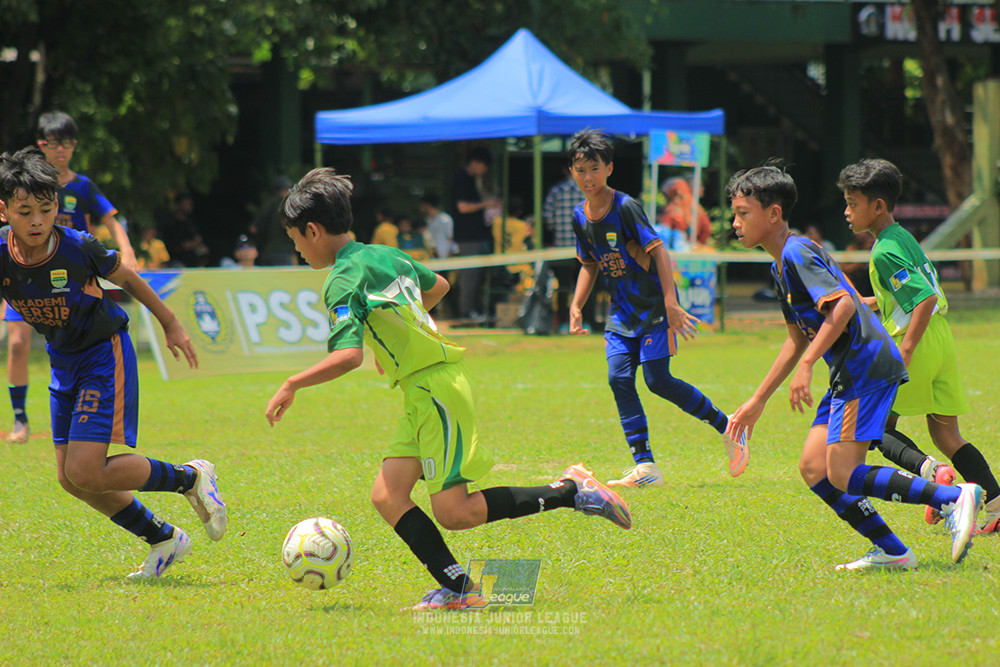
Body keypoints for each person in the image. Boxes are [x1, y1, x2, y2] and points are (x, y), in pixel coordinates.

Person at [264, 167, 632, 611]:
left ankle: (571, 490)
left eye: (296, 240)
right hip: (424, 391)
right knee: (387, 495)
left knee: (455, 513)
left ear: (313, 229)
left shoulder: (341, 279)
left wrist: (292, 383)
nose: (298, 250)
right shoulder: (385, 254)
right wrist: (400, 335)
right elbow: (437, 286)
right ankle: (460, 590)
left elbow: (347, 356)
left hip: (435, 391)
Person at [725, 163, 983, 571]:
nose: (734, 222)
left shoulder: (795, 251)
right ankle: (893, 551)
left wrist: (809, 364)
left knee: (843, 472)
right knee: (814, 467)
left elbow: (844, 306)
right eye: (734, 213)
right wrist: (757, 400)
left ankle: (951, 498)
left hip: (866, 366)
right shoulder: (780, 265)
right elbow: (796, 339)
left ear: (773, 213)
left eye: (742, 213)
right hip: (851, 370)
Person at [0, 146, 228, 578]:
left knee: (85, 467)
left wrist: (171, 324)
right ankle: (164, 538)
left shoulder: (77, 247)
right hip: (62, 359)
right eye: (25, 210)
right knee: (72, 479)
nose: (36, 221)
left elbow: (128, 278)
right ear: (4, 210)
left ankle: (191, 477)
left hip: (103, 353)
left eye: (46, 211)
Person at [565, 129, 749, 488]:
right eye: (580, 169)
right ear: (572, 171)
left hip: (653, 311)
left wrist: (671, 304)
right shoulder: (579, 216)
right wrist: (576, 305)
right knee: (618, 378)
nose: (587, 177)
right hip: (620, 314)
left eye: (594, 168)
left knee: (657, 380)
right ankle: (646, 466)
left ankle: (728, 427)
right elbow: (589, 263)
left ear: (609, 168)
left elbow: (658, 251)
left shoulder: (626, 207)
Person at [837, 158, 1000, 533]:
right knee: (946, 433)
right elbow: (915, 291)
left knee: (877, 429)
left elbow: (922, 299)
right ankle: (995, 504)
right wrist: (869, 302)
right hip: (941, 339)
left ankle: (935, 476)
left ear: (877, 206)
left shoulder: (882, 251)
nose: (846, 212)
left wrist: (905, 352)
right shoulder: (902, 237)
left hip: (916, 342)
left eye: (852, 203)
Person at [2, 111, 141, 444]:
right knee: (18, 344)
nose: (60, 151)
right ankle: (20, 420)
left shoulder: (82, 187)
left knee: (73, 341)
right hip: (24, 279)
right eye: (53, 144)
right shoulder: (23, 189)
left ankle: (83, 410)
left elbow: (111, 219)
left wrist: (128, 252)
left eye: (66, 144)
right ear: (41, 146)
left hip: (67, 281)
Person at [451, 146, 501, 320]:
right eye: (484, 166)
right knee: (469, 276)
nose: (485, 170)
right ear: (475, 163)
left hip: (478, 235)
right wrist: (487, 204)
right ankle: (466, 311)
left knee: (478, 276)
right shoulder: (462, 179)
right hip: (467, 236)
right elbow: (462, 207)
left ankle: (475, 309)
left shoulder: (474, 180)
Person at [249, 176, 297, 266]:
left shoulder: (267, 204)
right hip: (284, 253)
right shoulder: (287, 204)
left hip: (266, 253)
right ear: (287, 189)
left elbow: (253, 228)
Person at [491, 195, 534, 294]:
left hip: (499, 264)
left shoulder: (496, 222)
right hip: (517, 266)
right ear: (520, 211)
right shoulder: (523, 226)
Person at [158, 191, 209, 267]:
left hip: (192, 259)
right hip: (176, 261)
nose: (190, 207)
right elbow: (178, 246)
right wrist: (190, 244)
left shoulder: (190, 222)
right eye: (187, 204)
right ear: (179, 205)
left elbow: (198, 239)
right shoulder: (171, 223)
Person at [657, 177, 711, 248]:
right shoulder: (696, 206)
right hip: (693, 245)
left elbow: (667, 230)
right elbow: (707, 228)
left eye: (665, 194)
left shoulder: (673, 208)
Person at [419, 193, 455, 260]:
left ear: (427, 204)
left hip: (446, 256)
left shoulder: (445, 219)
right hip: (432, 258)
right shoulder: (426, 221)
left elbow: (451, 237)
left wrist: (451, 253)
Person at [840, 230, 875, 297]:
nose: (856, 233)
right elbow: (843, 267)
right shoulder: (853, 247)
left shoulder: (874, 245)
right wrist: (859, 264)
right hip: (859, 286)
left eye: (860, 231)